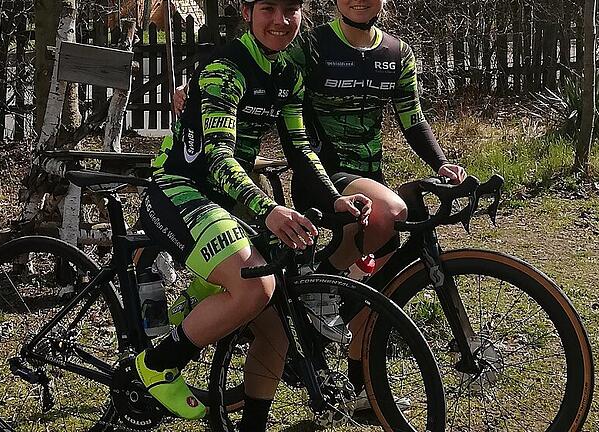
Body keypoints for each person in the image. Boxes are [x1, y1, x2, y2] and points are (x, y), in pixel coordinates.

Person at [173, 0, 468, 411]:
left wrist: (441, 163)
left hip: (362, 180)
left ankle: (361, 379)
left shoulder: (398, 53)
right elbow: (251, 51)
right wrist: (195, 83)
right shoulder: (308, 44)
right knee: (392, 213)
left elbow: (412, 117)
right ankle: (318, 295)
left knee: (377, 282)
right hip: (323, 175)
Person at [136, 0, 371, 429]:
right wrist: (268, 210)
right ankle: (157, 363)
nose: (280, 21)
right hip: (180, 188)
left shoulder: (288, 74)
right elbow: (218, 159)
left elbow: (301, 148)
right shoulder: (226, 68)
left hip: (226, 197)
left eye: (291, 10)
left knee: (275, 323)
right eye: (268, 9)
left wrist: (335, 197)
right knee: (255, 288)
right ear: (246, 12)